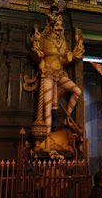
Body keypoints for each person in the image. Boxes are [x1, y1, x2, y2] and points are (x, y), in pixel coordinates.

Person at [30, 10, 84, 151]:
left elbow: (64, 60)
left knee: (77, 91)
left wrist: (73, 56)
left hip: (60, 73)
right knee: (47, 110)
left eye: (61, 25)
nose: (59, 27)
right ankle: (47, 145)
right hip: (47, 73)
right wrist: (38, 54)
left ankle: (67, 117)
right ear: (52, 26)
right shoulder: (43, 38)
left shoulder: (63, 41)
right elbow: (36, 56)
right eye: (57, 25)